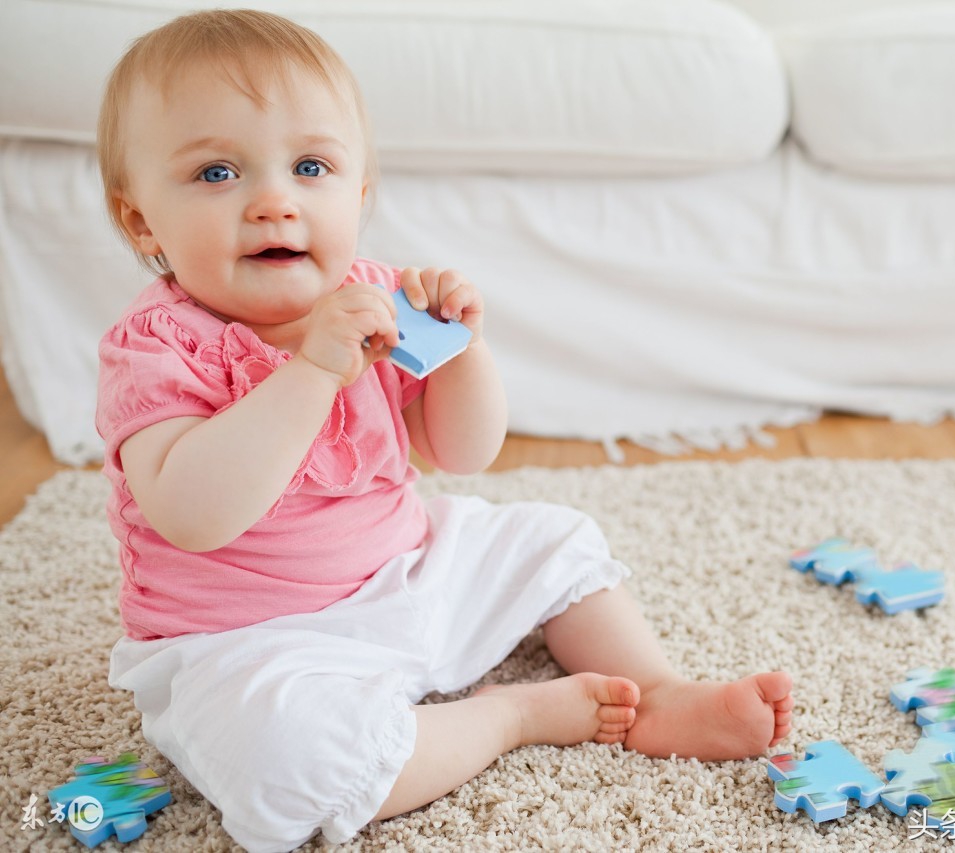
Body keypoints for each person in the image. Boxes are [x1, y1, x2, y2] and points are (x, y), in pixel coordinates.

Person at [94, 10, 793, 852]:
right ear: (142, 223)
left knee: (552, 537)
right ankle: (506, 718)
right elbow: (193, 512)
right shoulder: (157, 347)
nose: (274, 201)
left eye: (310, 166)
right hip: (251, 642)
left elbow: (464, 452)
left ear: (355, 193)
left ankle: (656, 687)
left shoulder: (377, 301)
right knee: (293, 766)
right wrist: (311, 373)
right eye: (216, 172)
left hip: (409, 573)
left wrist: (463, 351)